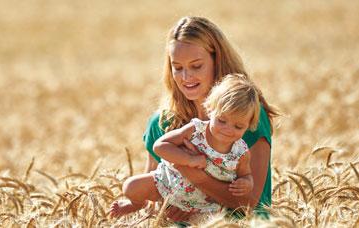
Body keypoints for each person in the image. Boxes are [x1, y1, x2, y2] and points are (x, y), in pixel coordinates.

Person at [137, 16, 280, 223]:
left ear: (217, 60)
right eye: (177, 67)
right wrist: (167, 207)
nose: (185, 77)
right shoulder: (162, 124)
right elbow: (150, 201)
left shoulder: (245, 118)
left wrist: (196, 177)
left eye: (196, 66)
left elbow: (249, 203)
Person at [109, 74, 260, 218]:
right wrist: (189, 160)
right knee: (130, 187)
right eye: (222, 120)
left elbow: (245, 175)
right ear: (210, 110)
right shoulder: (196, 129)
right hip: (168, 182)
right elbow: (160, 146)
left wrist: (246, 183)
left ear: (249, 126)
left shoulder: (241, 153)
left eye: (238, 126)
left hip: (204, 205)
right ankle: (137, 204)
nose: (228, 130)